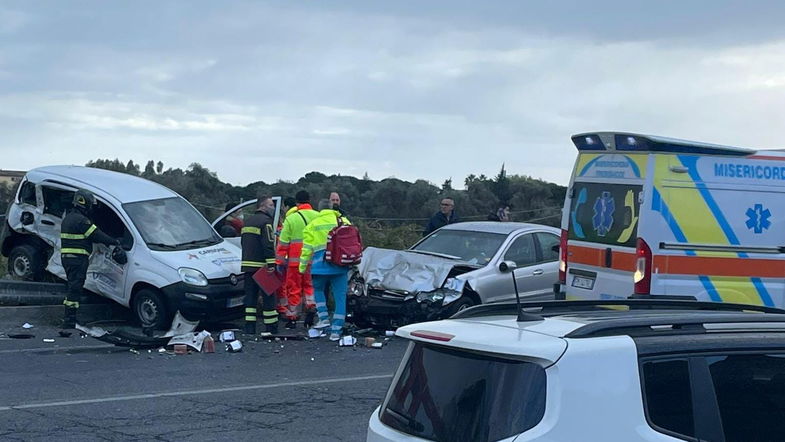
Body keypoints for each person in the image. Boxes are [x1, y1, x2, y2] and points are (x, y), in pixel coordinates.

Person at [60, 189, 124, 329]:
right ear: (84, 203)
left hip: (68, 258)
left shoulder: (69, 217)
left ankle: (69, 318)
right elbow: (97, 235)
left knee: (73, 287)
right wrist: (115, 241)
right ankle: (69, 320)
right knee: (75, 289)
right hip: (77, 259)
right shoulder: (82, 221)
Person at [300, 199, 351, 341]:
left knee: (318, 290)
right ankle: (336, 331)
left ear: (319, 210)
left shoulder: (313, 225)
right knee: (340, 297)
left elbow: (306, 250)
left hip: (319, 266)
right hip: (340, 265)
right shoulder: (343, 221)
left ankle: (323, 318)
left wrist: (302, 267)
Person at [275, 190, 319, 329]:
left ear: (296, 202)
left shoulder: (291, 219)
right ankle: (311, 309)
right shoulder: (317, 217)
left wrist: (279, 262)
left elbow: (283, 244)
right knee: (310, 287)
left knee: (294, 289)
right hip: (313, 261)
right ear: (309, 200)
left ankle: (293, 318)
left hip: (295, 262)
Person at [240, 195, 278, 335]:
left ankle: (250, 327)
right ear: (262, 206)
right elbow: (268, 244)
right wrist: (271, 263)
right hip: (262, 266)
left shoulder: (248, 222)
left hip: (247, 266)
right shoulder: (266, 222)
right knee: (269, 296)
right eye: (271, 205)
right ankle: (271, 327)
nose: (273, 208)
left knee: (250, 298)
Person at [275, 197, 297, 316]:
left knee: (283, 285)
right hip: (297, 259)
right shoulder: (300, 216)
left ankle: (284, 307)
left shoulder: (289, 219)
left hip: (286, 259)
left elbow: (283, 242)